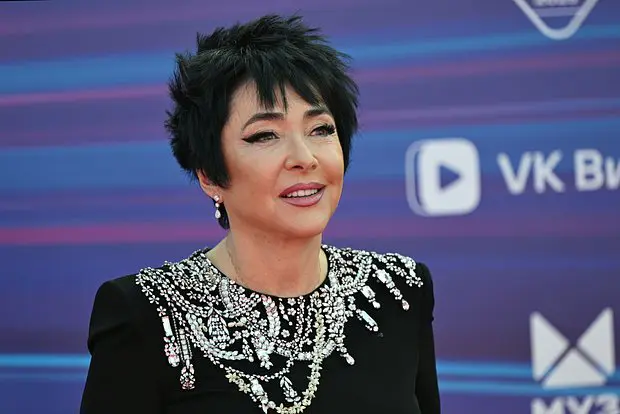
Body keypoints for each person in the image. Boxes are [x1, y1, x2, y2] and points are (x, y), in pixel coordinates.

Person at [79, 14, 441, 414]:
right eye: (265, 135)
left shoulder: (399, 292)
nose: (304, 158)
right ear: (209, 174)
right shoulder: (144, 315)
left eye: (321, 129)